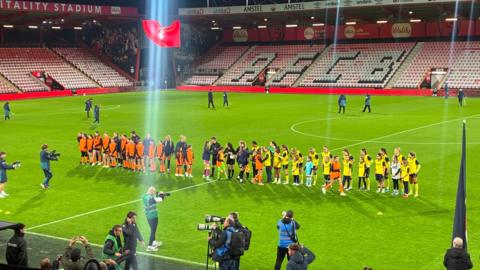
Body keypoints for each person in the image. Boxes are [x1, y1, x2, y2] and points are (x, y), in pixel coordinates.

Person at [142, 187, 164, 251]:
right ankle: (150, 246)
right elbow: (160, 200)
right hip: (152, 216)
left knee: (153, 230)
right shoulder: (150, 198)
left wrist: (159, 194)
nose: (153, 194)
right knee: (153, 231)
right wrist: (161, 195)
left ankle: (153, 242)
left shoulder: (144, 196)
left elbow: (155, 198)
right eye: (153, 192)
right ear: (151, 191)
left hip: (149, 216)